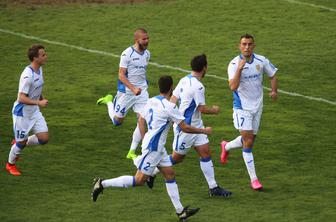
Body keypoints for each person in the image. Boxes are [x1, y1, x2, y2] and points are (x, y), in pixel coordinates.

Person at [92, 76, 211, 221]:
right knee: (139, 180)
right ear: (171, 88)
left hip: (157, 148)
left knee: (170, 175)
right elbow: (185, 127)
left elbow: (141, 120)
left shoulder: (151, 101)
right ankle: (102, 183)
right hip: (153, 149)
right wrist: (203, 131)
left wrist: (144, 139)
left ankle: (181, 212)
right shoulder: (170, 107)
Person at [163, 54, 231, 197]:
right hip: (186, 129)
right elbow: (202, 108)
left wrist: (169, 112)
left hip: (196, 125)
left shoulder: (184, 79)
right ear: (204, 68)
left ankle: (213, 188)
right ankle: (150, 170)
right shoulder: (198, 86)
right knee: (177, 159)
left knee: (205, 152)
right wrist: (215, 110)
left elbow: (173, 98)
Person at [220, 34, 278, 191]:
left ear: (254, 46)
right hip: (242, 107)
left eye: (250, 44)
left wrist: (273, 91)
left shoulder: (261, 61)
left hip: (257, 106)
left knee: (250, 139)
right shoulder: (233, 64)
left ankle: (226, 147)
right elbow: (233, 87)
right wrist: (239, 69)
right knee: (249, 142)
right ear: (239, 46)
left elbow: (272, 74)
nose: (247, 47)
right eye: (244, 44)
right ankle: (254, 180)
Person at [96, 28, 150, 160]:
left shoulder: (147, 54)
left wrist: (141, 87)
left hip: (142, 92)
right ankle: (109, 101)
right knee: (117, 122)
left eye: (148, 38)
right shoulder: (127, 54)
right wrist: (133, 89)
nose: (147, 41)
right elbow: (121, 75)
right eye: (144, 39)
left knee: (143, 119)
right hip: (127, 93)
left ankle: (139, 149)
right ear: (137, 40)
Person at [6, 44, 49, 176]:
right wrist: (39, 102)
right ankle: (10, 165)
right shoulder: (27, 76)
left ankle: (18, 141)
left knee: (44, 138)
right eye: (43, 55)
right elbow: (21, 98)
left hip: (34, 111)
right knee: (21, 143)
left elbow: (37, 88)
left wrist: (40, 98)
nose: (46, 56)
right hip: (22, 113)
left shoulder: (39, 70)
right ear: (35, 58)